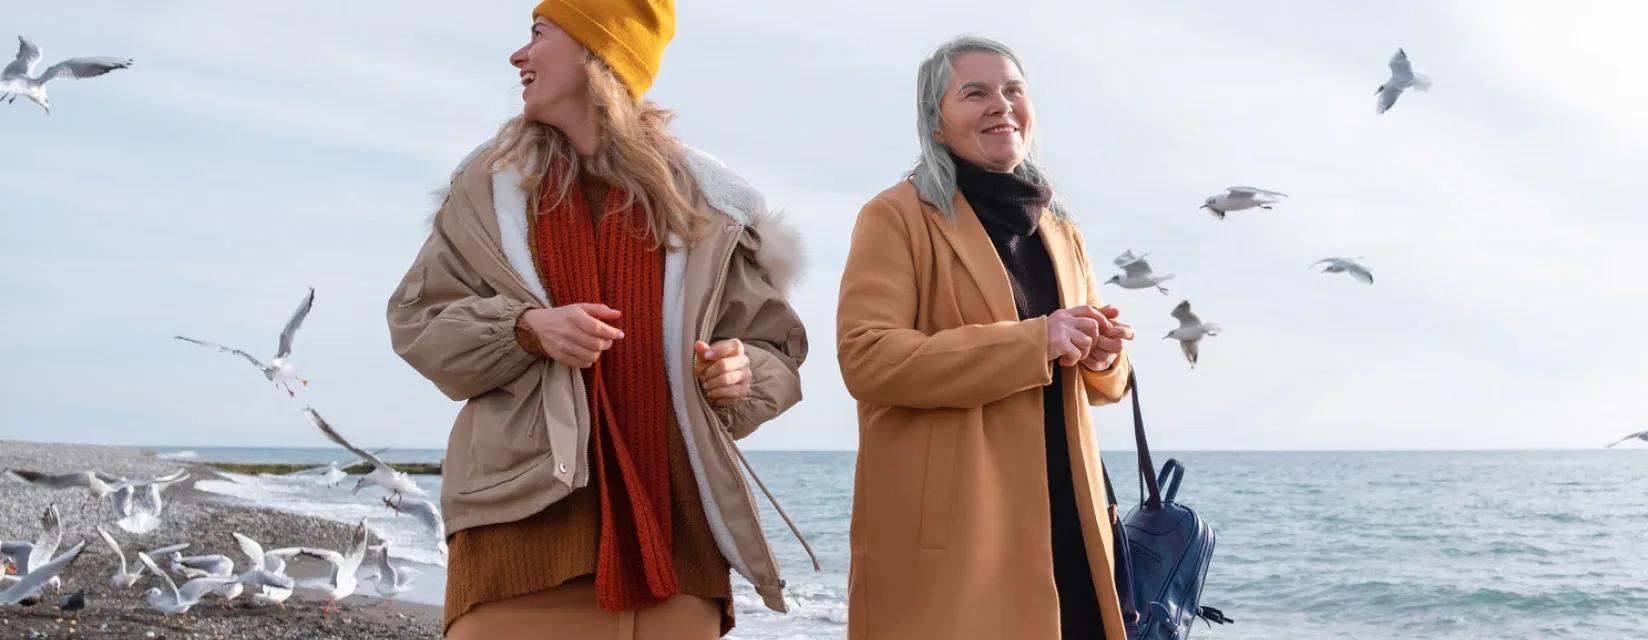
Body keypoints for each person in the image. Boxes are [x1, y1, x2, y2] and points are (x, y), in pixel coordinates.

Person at [386, 1, 810, 637]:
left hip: (677, 540)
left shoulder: (707, 203)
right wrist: (525, 329)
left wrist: (742, 372)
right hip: (519, 530)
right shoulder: (487, 189)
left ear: (597, 52)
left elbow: (775, 346)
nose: (517, 56)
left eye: (537, 35)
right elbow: (418, 322)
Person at [836, 35, 1136, 640]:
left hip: (1071, 522)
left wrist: (1103, 355)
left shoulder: (1059, 229)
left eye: (1013, 90)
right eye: (975, 93)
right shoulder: (896, 216)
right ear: (937, 123)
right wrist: (1035, 341)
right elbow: (867, 359)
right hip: (965, 530)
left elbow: (1099, 386)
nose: (1000, 104)